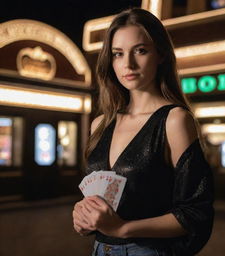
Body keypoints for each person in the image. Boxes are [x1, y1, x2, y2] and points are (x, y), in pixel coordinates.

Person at [72, 8, 214, 256]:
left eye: (140, 50)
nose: (128, 64)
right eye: (118, 54)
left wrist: (123, 228)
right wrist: (84, 217)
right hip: (99, 250)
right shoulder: (100, 124)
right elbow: (101, 198)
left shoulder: (174, 120)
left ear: (160, 55)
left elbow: (195, 213)